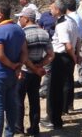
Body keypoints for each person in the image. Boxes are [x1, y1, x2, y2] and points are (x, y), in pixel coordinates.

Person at [0, 2, 28, 137]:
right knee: (11, 107)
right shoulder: (18, 29)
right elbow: (24, 52)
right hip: (12, 77)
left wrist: (12, 65)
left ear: (0, 14)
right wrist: (18, 67)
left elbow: (0, 55)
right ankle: (9, 134)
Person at [13, 8, 54, 136]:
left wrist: (33, 68)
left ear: (26, 18)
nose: (19, 20)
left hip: (25, 72)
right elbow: (51, 55)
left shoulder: (21, 34)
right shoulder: (44, 33)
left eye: (20, 17)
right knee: (34, 100)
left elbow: (23, 57)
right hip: (36, 74)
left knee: (19, 100)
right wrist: (39, 66)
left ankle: (19, 128)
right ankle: (35, 129)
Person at [41, 0, 78, 130]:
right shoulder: (71, 21)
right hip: (66, 58)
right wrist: (75, 55)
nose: (50, 10)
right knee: (61, 87)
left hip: (61, 58)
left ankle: (53, 120)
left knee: (54, 90)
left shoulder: (62, 24)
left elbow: (67, 45)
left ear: (57, 9)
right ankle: (57, 116)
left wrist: (74, 57)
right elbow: (77, 40)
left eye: (51, 8)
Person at [36, 5, 57, 98]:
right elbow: (39, 25)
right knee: (44, 66)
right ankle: (41, 87)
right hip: (45, 43)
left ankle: (44, 89)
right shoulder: (44, 15)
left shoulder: (59, 17)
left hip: (56, 44)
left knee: (49, 69)